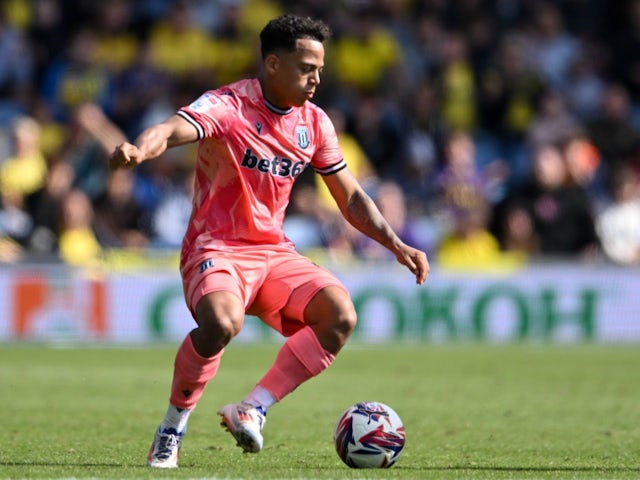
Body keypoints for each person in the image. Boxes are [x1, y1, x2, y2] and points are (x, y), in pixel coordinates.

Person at [109, 14, 429, 469]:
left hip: (273, 253)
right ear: (273, 64)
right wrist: (141, 149)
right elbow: (169, 129)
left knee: (339, 315)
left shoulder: (315, 124)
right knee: (221, 324)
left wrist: (396, 244)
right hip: (215, 248)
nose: (316, 78)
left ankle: (252, 408)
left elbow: (351, 195)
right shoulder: (229, 106)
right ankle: (172, 429)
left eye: (319, 68)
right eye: (306, 67)